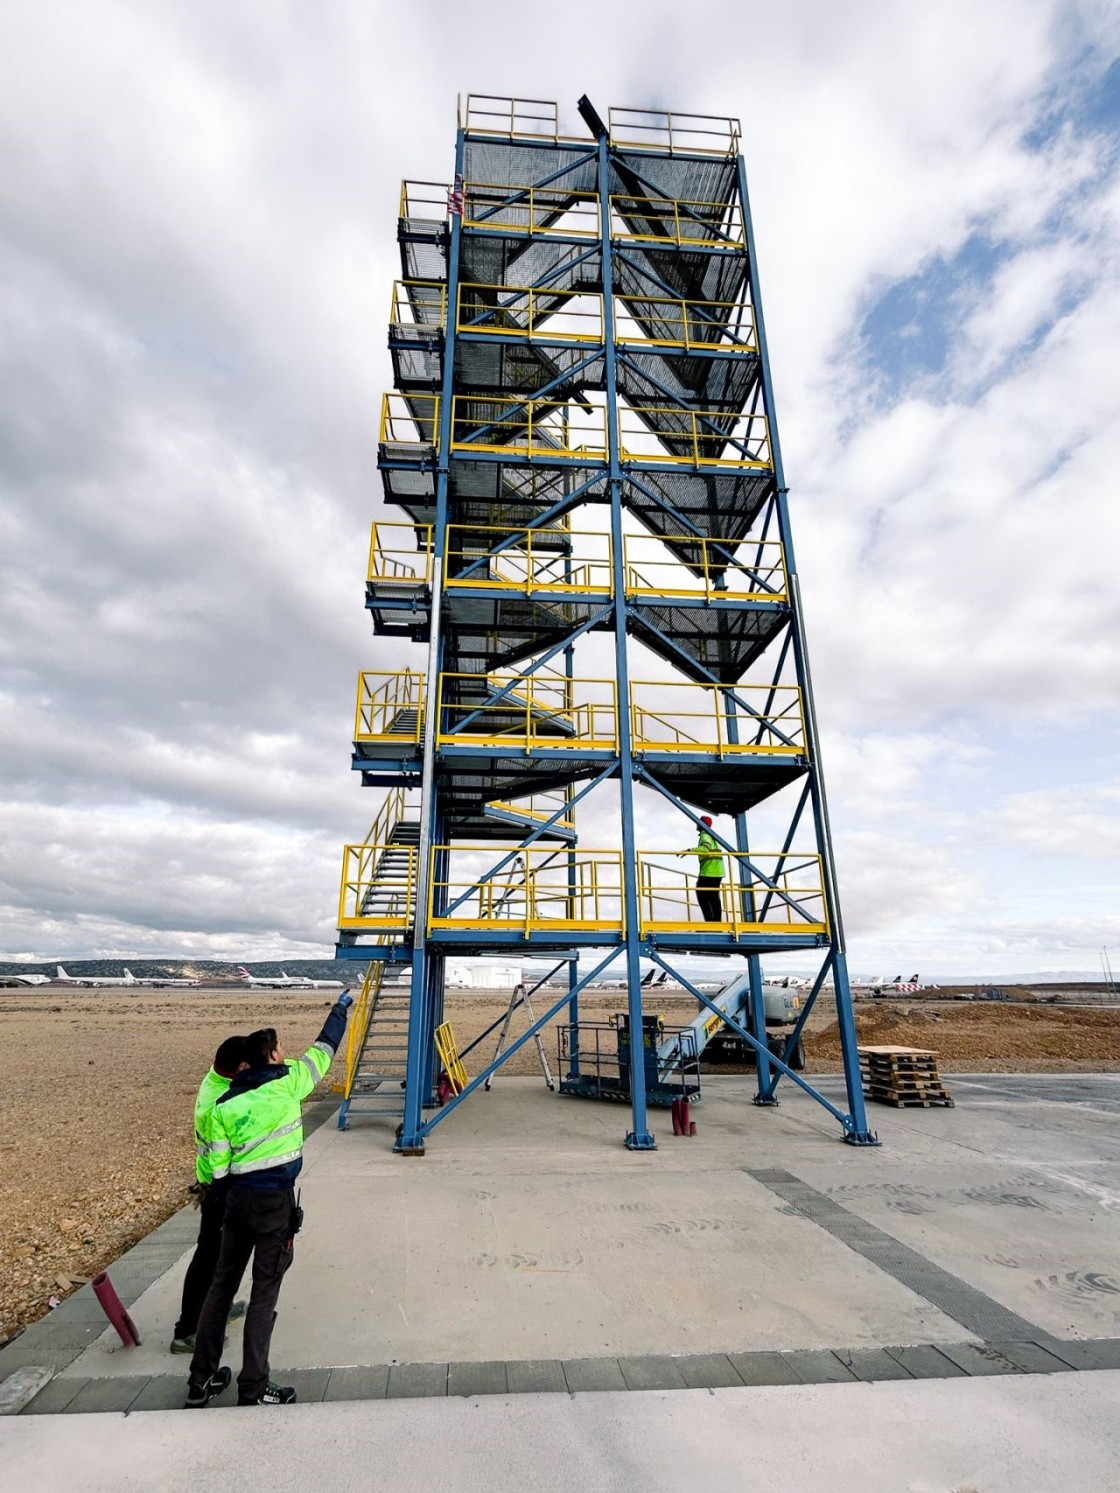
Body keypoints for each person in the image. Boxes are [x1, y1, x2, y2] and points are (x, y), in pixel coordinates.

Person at [185, 991, 352, 1409]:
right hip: (273, 1206)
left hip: (236, 1203)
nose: (285, 1054)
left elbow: (217, 1168)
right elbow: (324, 1049)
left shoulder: (222, 1105)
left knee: (221, 1288)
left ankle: (200, 1381)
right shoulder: (288, 1086)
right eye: (280, 1050)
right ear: (272, 1059)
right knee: (264, 1295)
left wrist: (220, 1201)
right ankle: (254, 1387)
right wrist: (340, 1010)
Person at [170, 1035, 250, 1353]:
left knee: (223, 1256)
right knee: (208, 1258)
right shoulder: (221, 1101)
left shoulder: (217, 1075)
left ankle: (217, 1306)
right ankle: (186, 1331)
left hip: (217, 1185)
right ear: (240, 1068)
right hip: (218, 1189)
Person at [682, 814, 725, 922]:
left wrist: (689, 850)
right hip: (717, 871)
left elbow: (705, 849)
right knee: (713, 896)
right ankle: (717, 923)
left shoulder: (705, 835)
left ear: (702, 824)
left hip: (709, 871)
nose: (696, 824)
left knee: (702, 893)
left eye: (698, 822)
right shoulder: (712, 836)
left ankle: (710, 922)